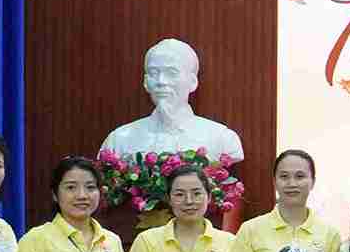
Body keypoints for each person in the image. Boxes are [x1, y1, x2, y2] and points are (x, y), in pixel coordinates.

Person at [99, 37, 245, 163]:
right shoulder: (119, 140)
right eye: (154, 73)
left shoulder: (221, 138)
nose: (161, 81)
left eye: (171, 73)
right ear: (145, 82)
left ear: (193, 82)